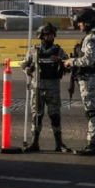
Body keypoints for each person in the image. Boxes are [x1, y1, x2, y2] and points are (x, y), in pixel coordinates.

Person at [64, 8, 95, 156]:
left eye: (80, 23)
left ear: (87, 22)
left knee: (93, 112)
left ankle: (92, 144)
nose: (79, 25)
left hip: (91, 78)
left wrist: (70, 61)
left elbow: (88, 60)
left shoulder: (92, 38)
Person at [22, 23, 71, 153]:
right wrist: (27, 69)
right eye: (48, 35)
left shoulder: (58, 50)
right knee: (36, 116)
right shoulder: (34, 50)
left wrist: (60, 61)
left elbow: (69, 65)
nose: (50, 37)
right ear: (41, 36)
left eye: (52, 35)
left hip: (53, 88)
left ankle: (59, 143)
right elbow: (24, 64)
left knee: (55, 115)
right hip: (37, 88)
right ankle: (34, 143)